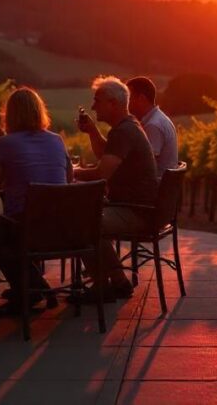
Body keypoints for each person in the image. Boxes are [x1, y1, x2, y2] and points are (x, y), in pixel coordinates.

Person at [0, 87, 71, 309]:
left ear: (10, 115)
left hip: (26, 228)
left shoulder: (6, 143)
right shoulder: (57, 141)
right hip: (63, 227)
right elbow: (69, 180)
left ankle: (31, 289)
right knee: (14, 228)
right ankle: (28, 287)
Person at [76, 76, 159, 300]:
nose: (93, 106)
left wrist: (70, 173)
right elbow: (106, 155)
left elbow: (102, 173)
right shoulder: (127, 126)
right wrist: (93, 132)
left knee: (85, 222)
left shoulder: (124, 131)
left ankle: (104, 286)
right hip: (139, 207)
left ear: (113, 103)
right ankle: (118, 282)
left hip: (136, 211)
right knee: (86, 217)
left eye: (97, 100)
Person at [126, 76, 178, 176]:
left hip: (155, 183)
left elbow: (147, 163)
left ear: (141, 99)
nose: (126, 103)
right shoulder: (158, 118)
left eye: (128, 98)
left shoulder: (153, 125)